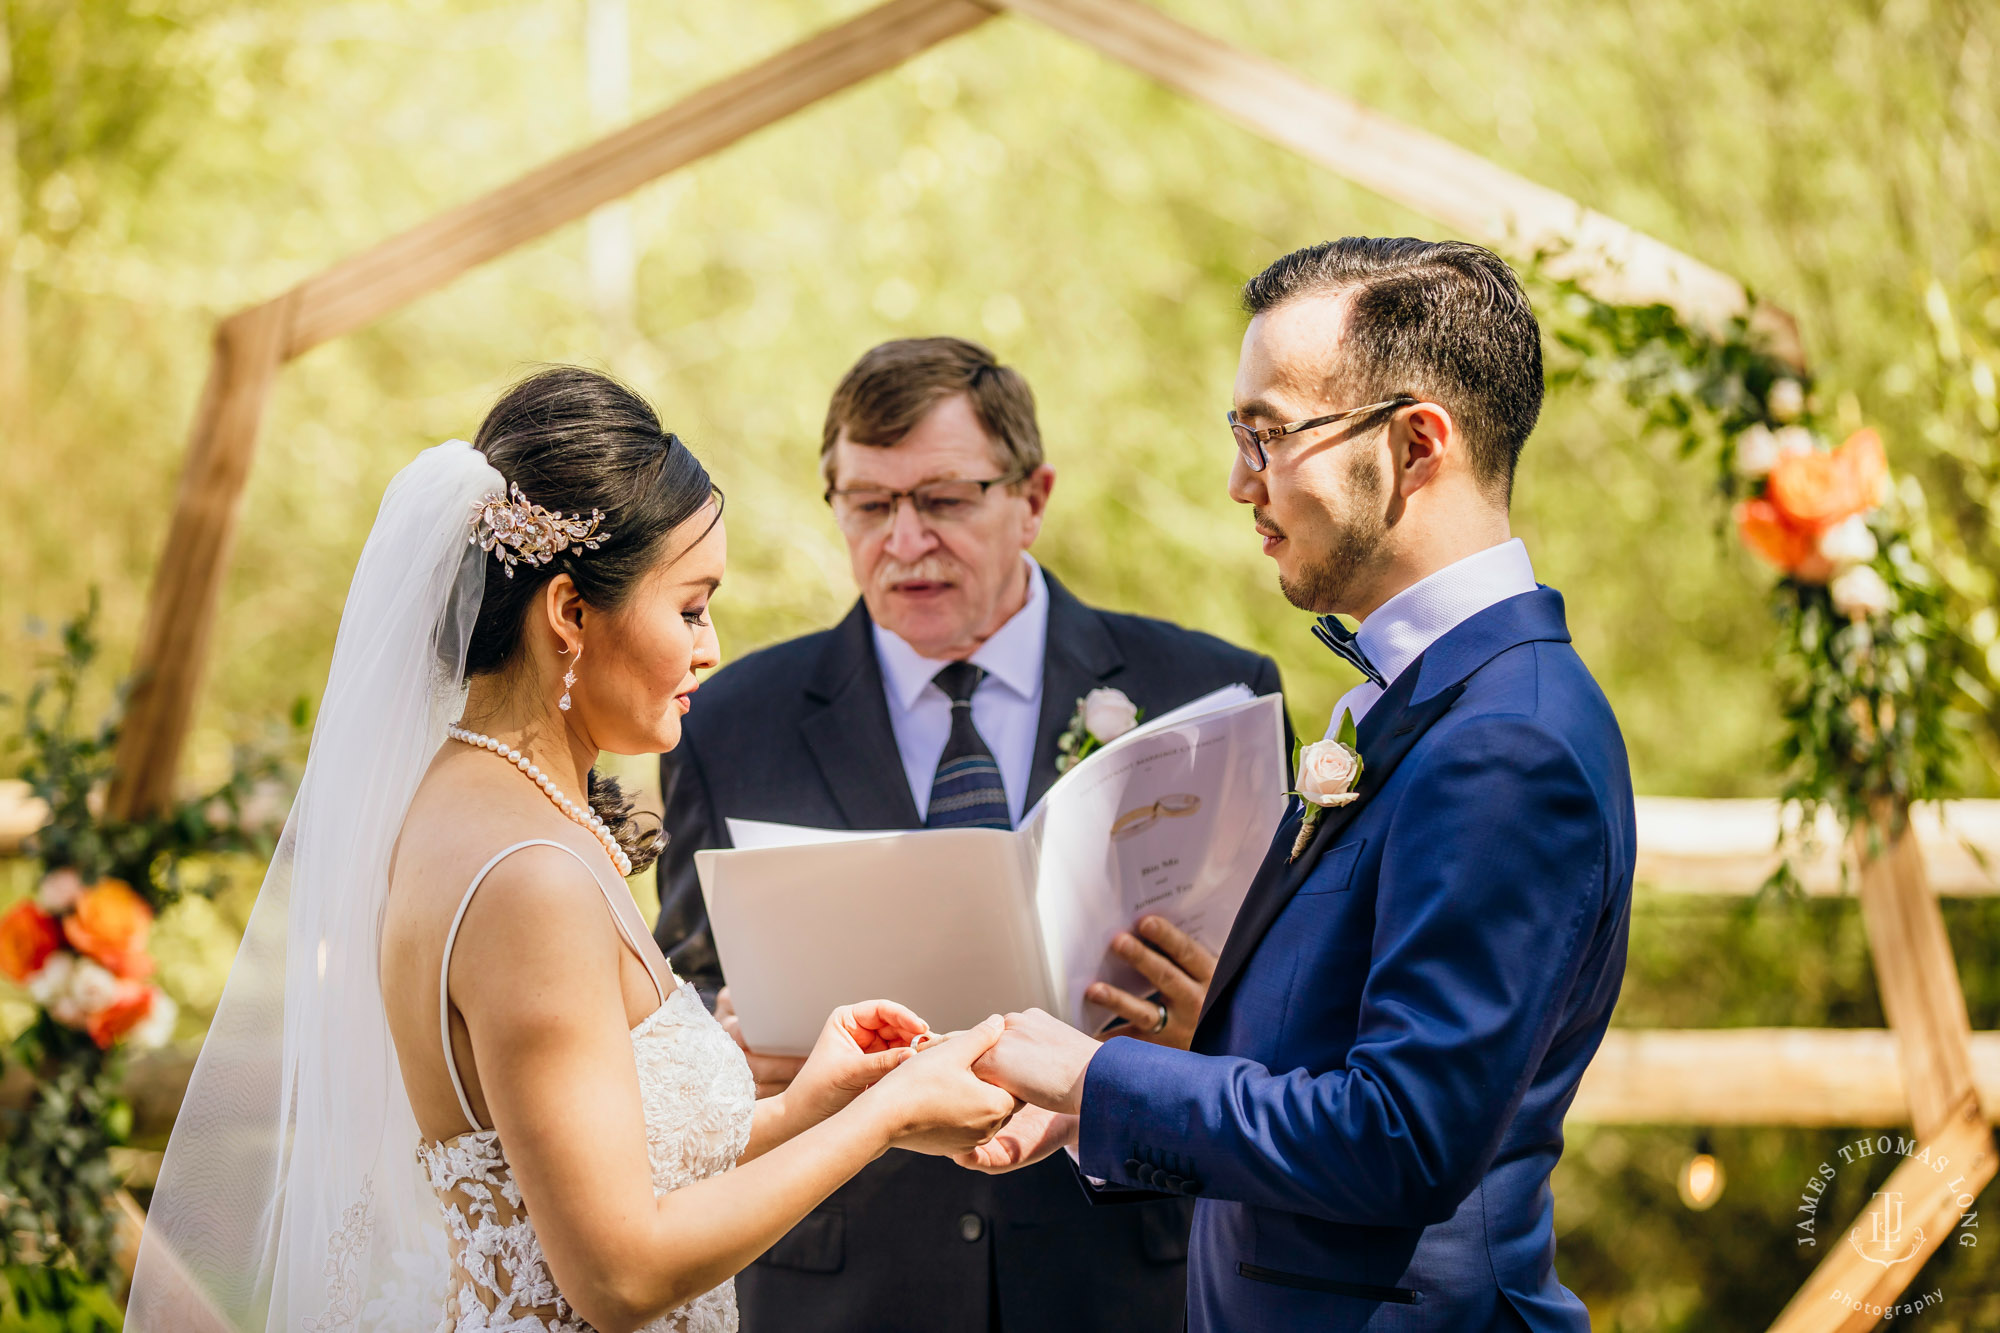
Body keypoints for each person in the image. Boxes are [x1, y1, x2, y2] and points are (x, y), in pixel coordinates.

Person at [129, 368, 1021, 1333]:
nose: (711, 646)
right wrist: (880, 1120)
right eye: (688, 608)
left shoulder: (491, 810)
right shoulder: (528, 879)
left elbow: (583, 1174)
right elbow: (619, 1275)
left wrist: (812, 1102)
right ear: (568, 612)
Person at [966, 239, 1637, 1333]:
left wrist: (1097, 1080)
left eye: (1270, 433)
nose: (1240, 481)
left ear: (1416, 443)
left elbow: (1401, 1135)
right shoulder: (1419, 696)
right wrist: (1104, 1104)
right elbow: (1328, 1062)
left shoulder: (1507, 740)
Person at [652, 337, 1288, 1332]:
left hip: (1122, 1269)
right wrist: (727, 1042)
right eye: (867, 504)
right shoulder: (728, 716)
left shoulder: (1209, 693)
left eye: (943, 500)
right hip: (840, 1281)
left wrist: (1227, 1018)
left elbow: (1281, 994)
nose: (903, 541)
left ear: (1032, 497)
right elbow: (680, 991)